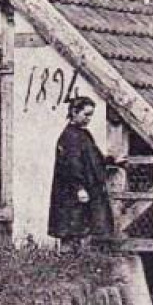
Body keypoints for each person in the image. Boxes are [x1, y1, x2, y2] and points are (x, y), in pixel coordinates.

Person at [48, 96, 115, 247]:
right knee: (72, 227)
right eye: (86, 114)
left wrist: (112, 161)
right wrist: (79, 188)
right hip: (72, 192)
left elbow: (95, 157)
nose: (88, 119)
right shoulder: (69, 136)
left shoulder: (84, 134)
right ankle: (69, 262)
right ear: (74, 112)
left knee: (85, 227)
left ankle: (81, 260)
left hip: (87, 189)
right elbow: (72, 165)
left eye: (91, 115)